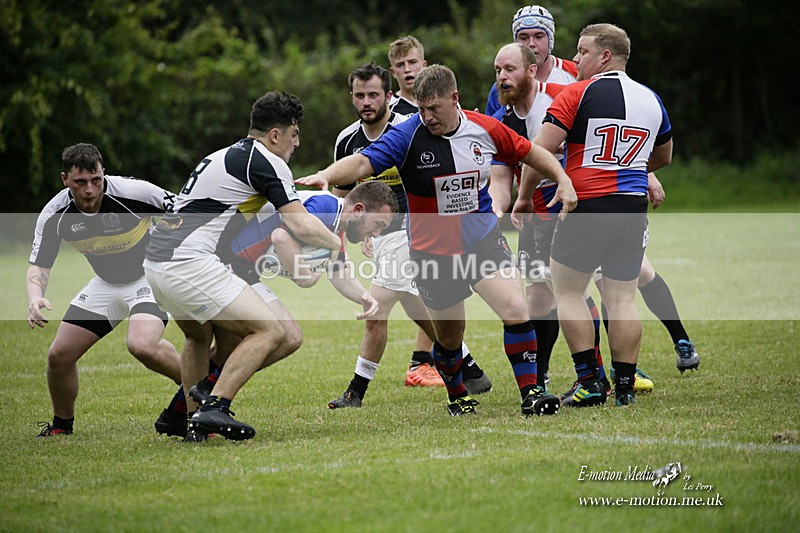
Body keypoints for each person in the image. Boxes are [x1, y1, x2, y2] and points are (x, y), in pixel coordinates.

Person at [298, 64, 576, 417]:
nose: (427, 117)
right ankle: (457, 394)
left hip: (481, 240)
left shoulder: (485, 128)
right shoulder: (407, 135)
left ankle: (532, 393)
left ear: (454, 99)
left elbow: (529, 152)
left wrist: (562, 180)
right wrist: (326, 174)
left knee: (515, 310)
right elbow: (361, 163)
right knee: (448, 337)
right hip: (432, 251)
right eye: (422, 109)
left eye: (434, 108)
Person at [143, 91, 343, 441]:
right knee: (271, 331)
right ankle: (215, 406)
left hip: (158, 262)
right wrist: (335, 242)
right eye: (294, 134)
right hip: (189, 261)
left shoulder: (226, 154)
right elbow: (298, 223)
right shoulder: (267, 160)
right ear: (275, 135)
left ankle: (193, 423)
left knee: (197, 336)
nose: (298, 143)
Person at [513, 23, 673, 407]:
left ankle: (589, 382)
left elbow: (540, 151)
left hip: (585, 206)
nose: (577, 59)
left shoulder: (576, 92)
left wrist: (524, 196)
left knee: (568, 292)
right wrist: (629, 169)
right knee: (621, 300)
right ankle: (624, 387)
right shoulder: (651, 99)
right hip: (632, 208)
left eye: (583, 52)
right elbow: (664, 157)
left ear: (605, 56)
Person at [326, 63, 491, 409]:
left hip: (411, 229)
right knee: (415, 304)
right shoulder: (347, 140)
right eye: (360, 95)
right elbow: (345, 197)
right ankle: (467, 365)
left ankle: (356, 392)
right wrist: (361, 232)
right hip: (381, 233)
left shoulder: (410, 129)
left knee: (378, 307)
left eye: (374, 94)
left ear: (389, 96)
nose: (367, 101)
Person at [28, 143, 182, 438]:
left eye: (96, 180)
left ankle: (198, 388)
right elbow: (39, 266)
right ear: (65, 179)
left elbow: (185, 210)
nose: (89, 190)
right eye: (80, 182)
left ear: (103, 175)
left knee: (142, 346)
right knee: (59, 356)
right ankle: (61, 426)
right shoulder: (55, 214)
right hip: (105, 284)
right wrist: (35, 297)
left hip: (148, 278)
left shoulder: (133, 194)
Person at [484, 5, 577, 117]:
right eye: (524, 38)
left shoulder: (575, 73)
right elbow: (493, 129)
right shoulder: (503, 86)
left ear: (550, 40)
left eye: (538, 37)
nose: (531, 44)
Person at [388, 36, 427, 116]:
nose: (407, 69)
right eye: (400, 65)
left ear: (424, 66)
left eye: (412, 62)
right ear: (393, 72)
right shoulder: (388, 110)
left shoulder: (444, 99)